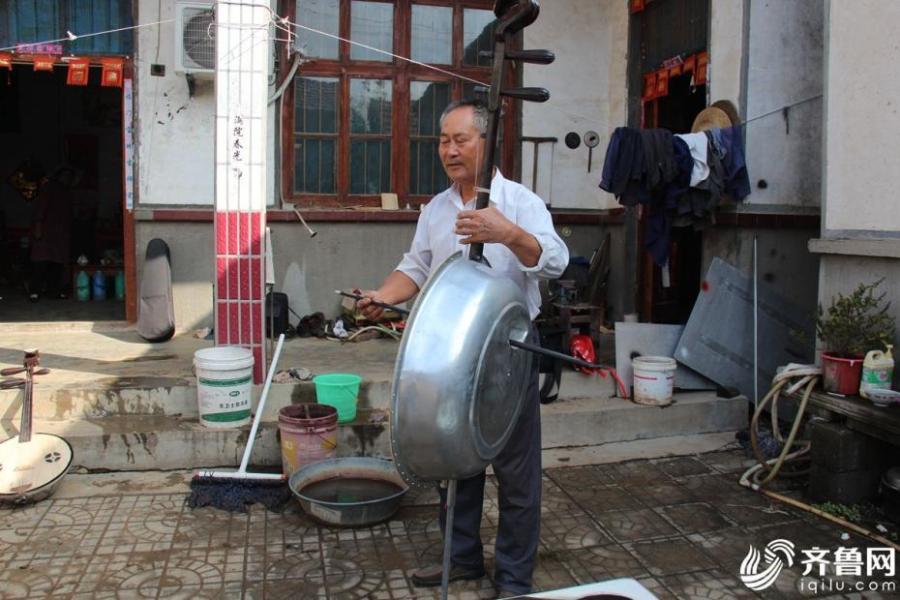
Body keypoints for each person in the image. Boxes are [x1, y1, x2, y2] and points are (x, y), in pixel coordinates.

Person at [357, 99, 569, 597]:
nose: (450, 150)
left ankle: (514, 577)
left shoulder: (519, 202)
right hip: (450, 357)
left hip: (511, 351)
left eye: (461, 140)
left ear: (485, 142)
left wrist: (508, 233)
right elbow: (415, 265)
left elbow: (555, 260)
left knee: (516, 471)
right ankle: (463, 558)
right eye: (443, 141)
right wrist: (381, 297)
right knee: (455, 460)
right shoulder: (436, 208)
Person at [29, 165, 78, 302]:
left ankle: (54, 291)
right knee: (41, 262)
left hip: (60, 234)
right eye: (65, 176)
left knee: (57, 264)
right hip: (45, 232)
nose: (67, 179)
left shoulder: (66, 192)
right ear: (59, 176)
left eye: (70, 177)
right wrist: (38, 227)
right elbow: (40, 209)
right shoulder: (49, 188)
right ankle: (35, 292)